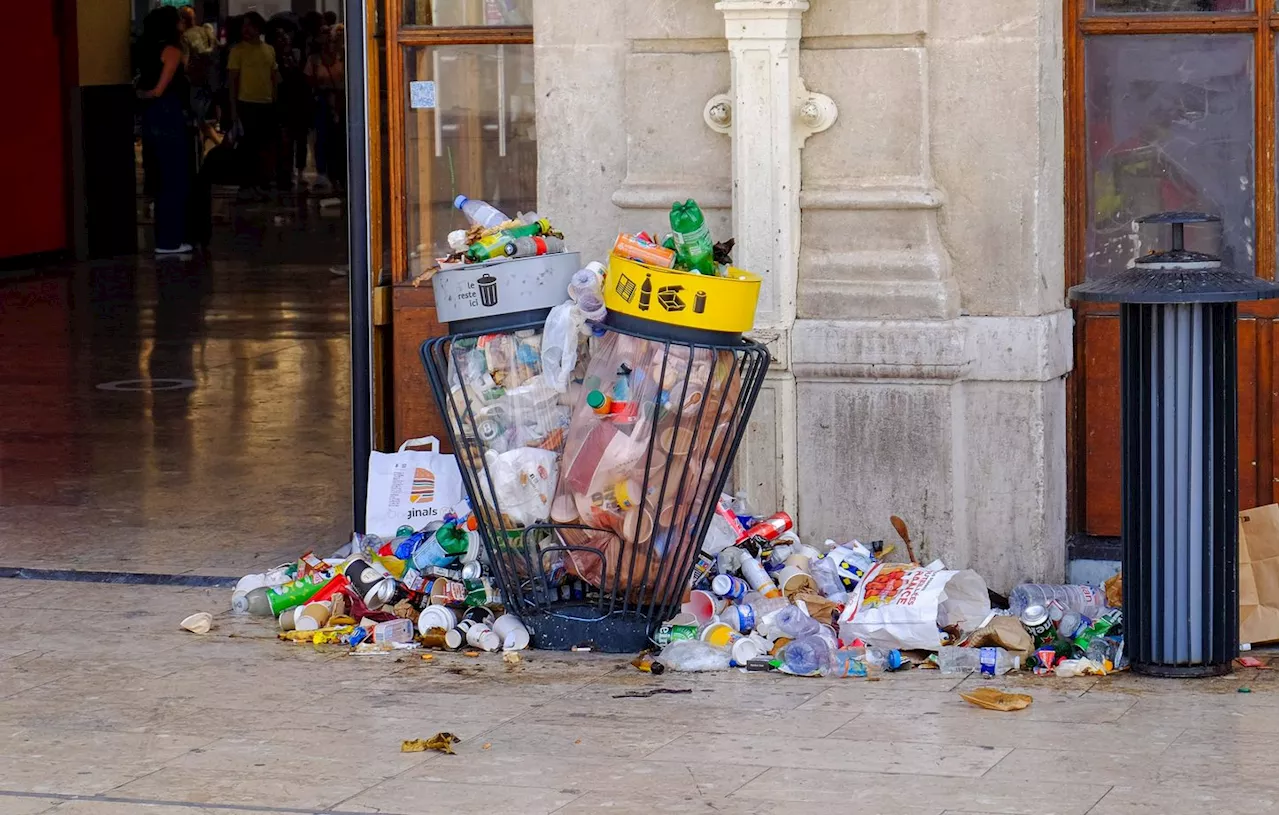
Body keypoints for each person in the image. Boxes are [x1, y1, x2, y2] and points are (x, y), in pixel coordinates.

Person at [137, 6, 193, 255]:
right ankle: (170, 240)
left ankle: (164, 237)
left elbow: (142, 87)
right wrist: (154, 94)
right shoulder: (173, 50)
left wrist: (142, 95)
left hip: (150, 117)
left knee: (160, 177)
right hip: (169, 113)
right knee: (175, 178)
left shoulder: (147, 50)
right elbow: (161, 88)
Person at [227, 12, 279, 201]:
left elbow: (273, 77)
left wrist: (274, 100)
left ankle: (260, 183)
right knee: (247, 147)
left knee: (263, 146)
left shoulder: (269, 50)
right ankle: (246, 184)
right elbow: (233, 81)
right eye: (243, 26)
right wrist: (233, 110)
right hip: (246, 103)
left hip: (265, 104)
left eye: (249, 25)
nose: (245, 29)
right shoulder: (237, 51)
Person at [304, 26, 345, 193]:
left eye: (334, 41)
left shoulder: (343, 58)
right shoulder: (314, 60)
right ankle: (323, 173)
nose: (330, 44)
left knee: (339, 139)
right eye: (328, 41)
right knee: (322, 137)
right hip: (321, 102)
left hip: (341, 101)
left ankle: (338, 175)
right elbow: (307, 83)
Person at [273, 26, 310, 190]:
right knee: (285, 141)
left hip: (299, 102)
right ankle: (286, 173)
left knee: (300, 139)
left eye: (285, 36)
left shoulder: (297, 55)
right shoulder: (275, 58)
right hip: (284, 102)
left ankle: (300, 171)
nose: (284, 40)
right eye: (280, 38)